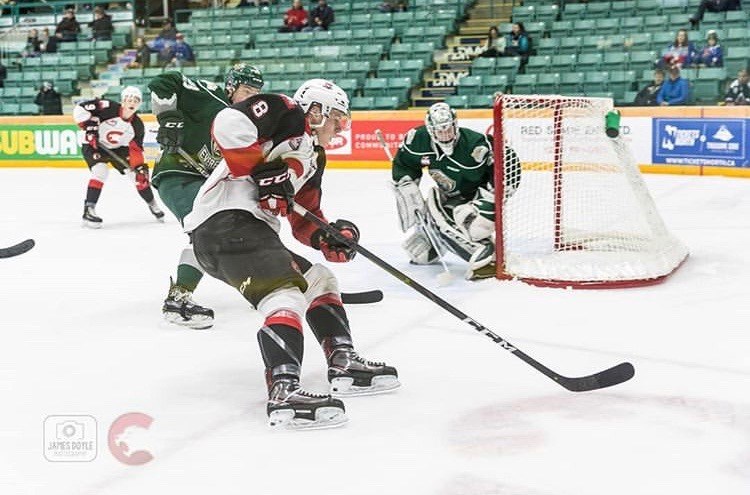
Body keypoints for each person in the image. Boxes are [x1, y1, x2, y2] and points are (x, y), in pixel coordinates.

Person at [181, 79, 400, 429]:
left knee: (319, 279)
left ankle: (342, 359)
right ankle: (283, 390)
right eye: (338, 119)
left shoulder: (314, 157)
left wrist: (331, 239)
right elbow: (228, 122)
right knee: (285, 293)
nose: (341, 127)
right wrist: (260, 170)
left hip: (249, 232)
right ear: (317, 111)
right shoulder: (286, 113)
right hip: (225, 222)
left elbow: (302, 216)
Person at [148, 64, 265, 329]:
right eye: (246, 90)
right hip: (176, 173)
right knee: (205, 229)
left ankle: (256, 284)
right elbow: (165, 81)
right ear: (231, 87)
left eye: (255, 92)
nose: (251, 97)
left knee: (237, 228)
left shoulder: (246, 122)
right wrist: (169, 118)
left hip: (206, 182)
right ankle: (178, 299)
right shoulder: (210, 95)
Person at [390, 102, 520, 280]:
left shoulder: (474, 144)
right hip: (448, 196)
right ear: (431, 130)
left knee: (475, 228)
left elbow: (509, 161)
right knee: (431, 208)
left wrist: (491, 200)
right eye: (439, 131)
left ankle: (486, 254)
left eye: (448, 129)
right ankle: (433, 244)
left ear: (455, 125)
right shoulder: (417, 140)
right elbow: (405, 163)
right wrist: (406, 185)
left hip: (476, 197)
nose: (445, 135)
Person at [73, 86, 165, 228]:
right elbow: (80, 109)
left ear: (139, 104)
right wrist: (88, 125)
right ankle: (89, 210)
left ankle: (153, 204)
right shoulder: (107, 106)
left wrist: (139, 166)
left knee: (137, 177)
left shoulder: (137, 125)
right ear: (123, 100)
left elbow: (135, 149)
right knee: (100, 171)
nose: (132, 102)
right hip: (94, 145)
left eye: (136, 100)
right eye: (129, 99)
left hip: (119, 149)